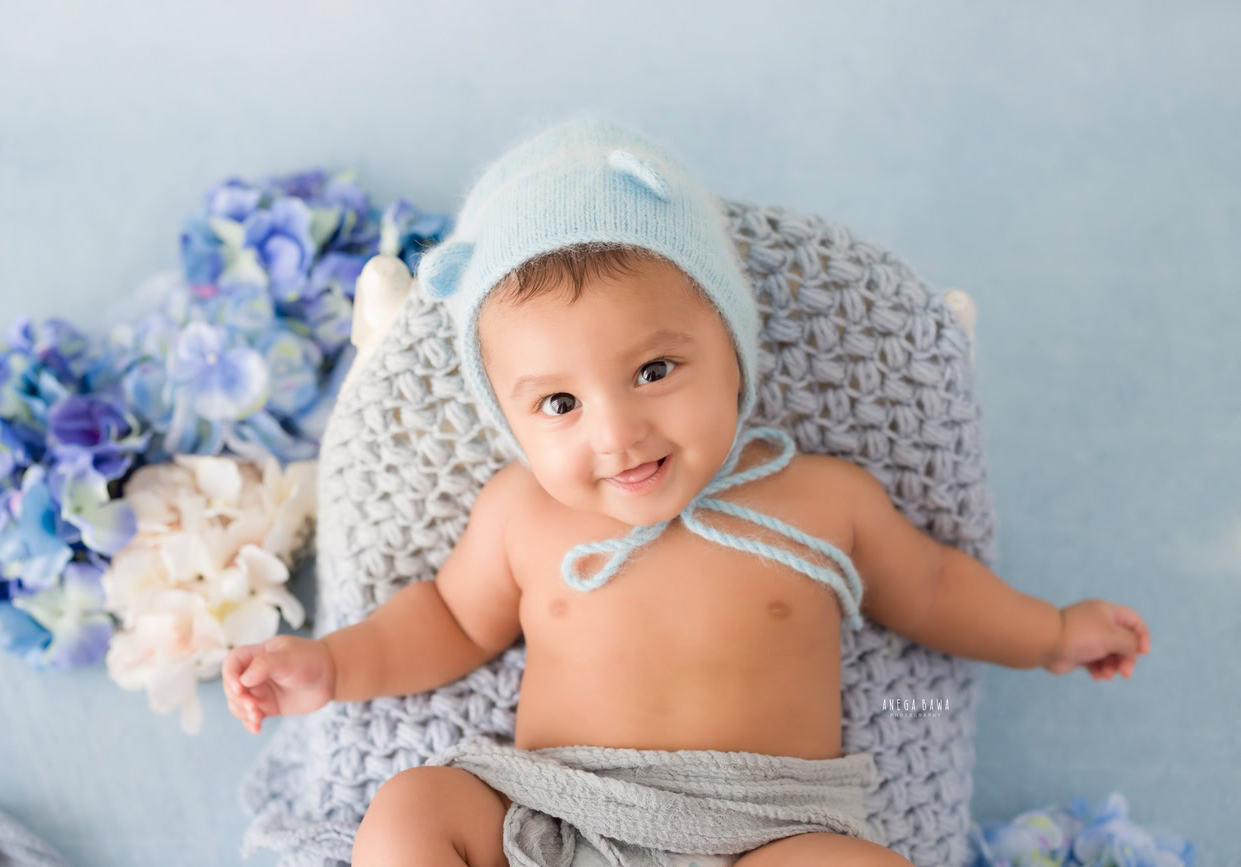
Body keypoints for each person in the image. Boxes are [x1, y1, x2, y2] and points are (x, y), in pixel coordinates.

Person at [221, 113, 1151, 867]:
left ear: (734, 358)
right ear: (511, 423)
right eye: (557, 401)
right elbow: (446, 622)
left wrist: (1053, 631)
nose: (617, 432)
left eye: (656, 369)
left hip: (768, 833)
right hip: (553, 815)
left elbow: (940, 591)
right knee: (413, 807)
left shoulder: (822, 498)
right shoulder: (521, 514)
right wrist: (332, 665)